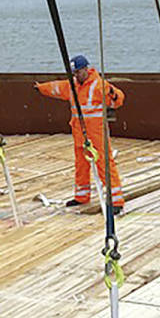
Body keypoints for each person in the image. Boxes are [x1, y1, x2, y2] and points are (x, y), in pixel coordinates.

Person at [34, 55, 126, 214]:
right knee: (81, 165)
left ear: (86, 69)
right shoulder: (72, 86)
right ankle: (82, 196)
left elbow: (117, 101)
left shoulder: (99, 86)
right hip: (79, 132)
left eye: (78, 72)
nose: (76, 75)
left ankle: (116, 200)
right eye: (74, 73)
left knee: (104, 164)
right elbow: (56, 88)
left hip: (96, 132)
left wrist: (113, 94)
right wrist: (41, 88)